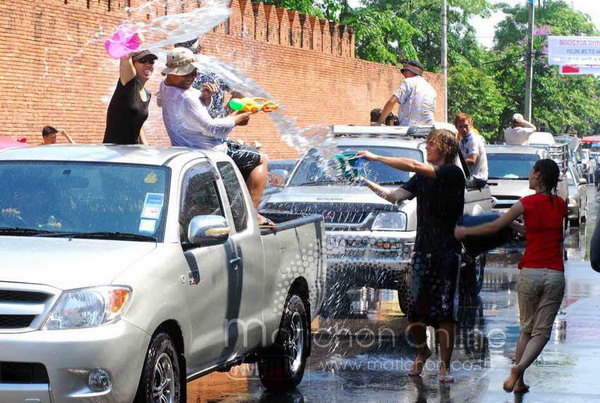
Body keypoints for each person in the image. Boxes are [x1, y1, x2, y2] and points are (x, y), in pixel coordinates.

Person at [356, 129, 464, 382]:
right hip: (422, 252)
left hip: (447, 252)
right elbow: (394, 197)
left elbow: (415, 164)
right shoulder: (421, 177)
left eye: (431, 145)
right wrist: (366, 183)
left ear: (445, 149)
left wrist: (377, 158)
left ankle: (444, 367)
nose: (427, 149)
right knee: (414, 313)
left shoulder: (452, 173)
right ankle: (422, 352)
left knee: (445, 313)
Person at [455, 159, 567, 394]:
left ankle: (517, 369)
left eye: (530, 172)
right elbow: (544, 232)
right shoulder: (560, 204)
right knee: (542, 332)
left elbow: (494, 227)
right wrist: (518, 227)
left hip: (531, 273)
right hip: (555, 273)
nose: (528, 177)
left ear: (537, 175)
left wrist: (465, 231)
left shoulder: (524, 203)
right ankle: (518, 378)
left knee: (527, 328)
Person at [159, 47, 272, 225]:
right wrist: (236, 118)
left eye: (194, 72)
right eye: (185, 73)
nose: (192, 77)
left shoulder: (165, 86)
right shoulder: (186, 98)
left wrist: (205, 98)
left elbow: (189, 112)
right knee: (260, 159)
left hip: (184, 148)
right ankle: (252, 215)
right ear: (172, 73)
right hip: (209, 150)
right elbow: (212, 129)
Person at [103, 49, 157, 145]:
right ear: (132, 64)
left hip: (132, 151)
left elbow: (136, 121)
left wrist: (145, 145)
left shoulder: (147, 93)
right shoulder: (128, 83)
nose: (148, 64)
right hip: (114, 151)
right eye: (142, 61)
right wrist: (129, 42)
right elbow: (125, 59)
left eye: (151, 61)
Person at [378, 60, 437, 126]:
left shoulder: (408, 82)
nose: (404, 74)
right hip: (428, 129)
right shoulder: (431, 88)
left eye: (405, 71)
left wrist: (379, 122)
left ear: (410, 71)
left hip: (409, 129)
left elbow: (391, 102)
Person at [454, 113, 488, 186]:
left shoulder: (473, 139)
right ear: (456, 127)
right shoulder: (462, 140)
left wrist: (456, 164)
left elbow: (472, 160)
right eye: (460, 127)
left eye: (466, 126)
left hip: (478, 178)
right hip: (470, 176)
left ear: (471, 125)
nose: (464, 129)